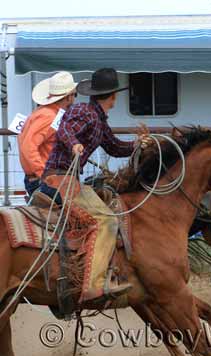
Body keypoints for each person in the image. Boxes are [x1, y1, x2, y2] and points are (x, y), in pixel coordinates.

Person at [39, 67, 151, 304]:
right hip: (61, 179)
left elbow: (114, 147)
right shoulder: (85, 113)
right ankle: (93, 285)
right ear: (112, 96)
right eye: (115, 96)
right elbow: (64, 130)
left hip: (65, 178)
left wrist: (138, 145)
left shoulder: (97, 119)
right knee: (107, 220)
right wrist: (73, 145)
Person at [18, 72, 78, 197]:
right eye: (75, 95)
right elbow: (28, 147)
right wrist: (44, 174)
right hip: (44, 180)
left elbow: (25, 143)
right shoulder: (49, 116)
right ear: (69, 97)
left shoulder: (43, 113)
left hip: (38, 178)